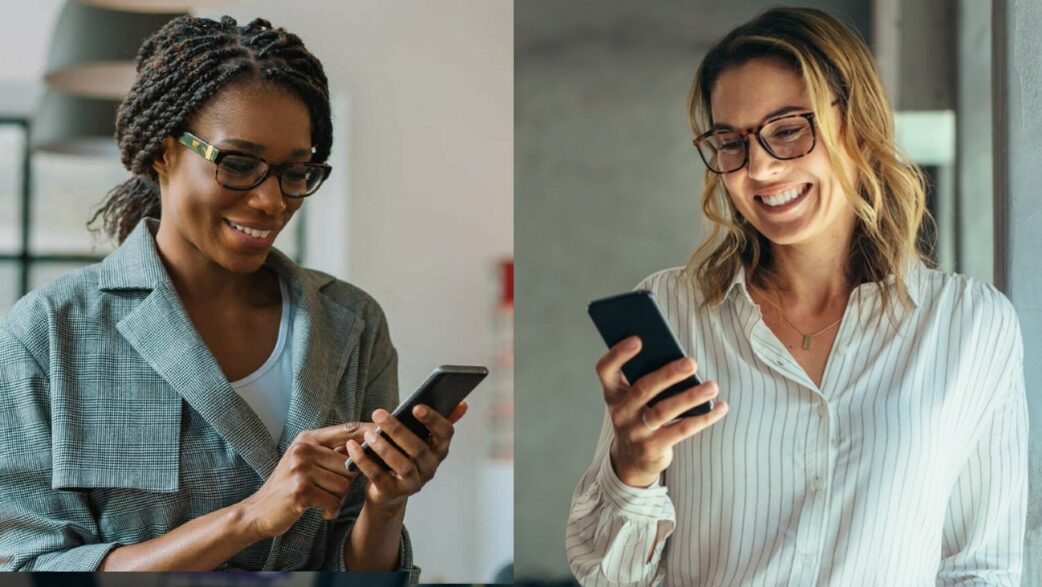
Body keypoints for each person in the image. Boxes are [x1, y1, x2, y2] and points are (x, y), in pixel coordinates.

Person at [566, 7, 1027, 586]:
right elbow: (611, 578)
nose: (757, 168)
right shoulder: (673, 310)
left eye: (787, 130)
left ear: (856, 125)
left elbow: (983, 568)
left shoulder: (971, 325)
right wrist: (630, 473)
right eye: (730, 142)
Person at [0, 16, 466, 578]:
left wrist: (387, 502)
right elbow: (28, 568)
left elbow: (353, 568)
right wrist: (250, 517)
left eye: (296, 171)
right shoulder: (48, 334)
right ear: (162, 152)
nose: (273, 201)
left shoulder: (352, 324)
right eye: (239, 164)